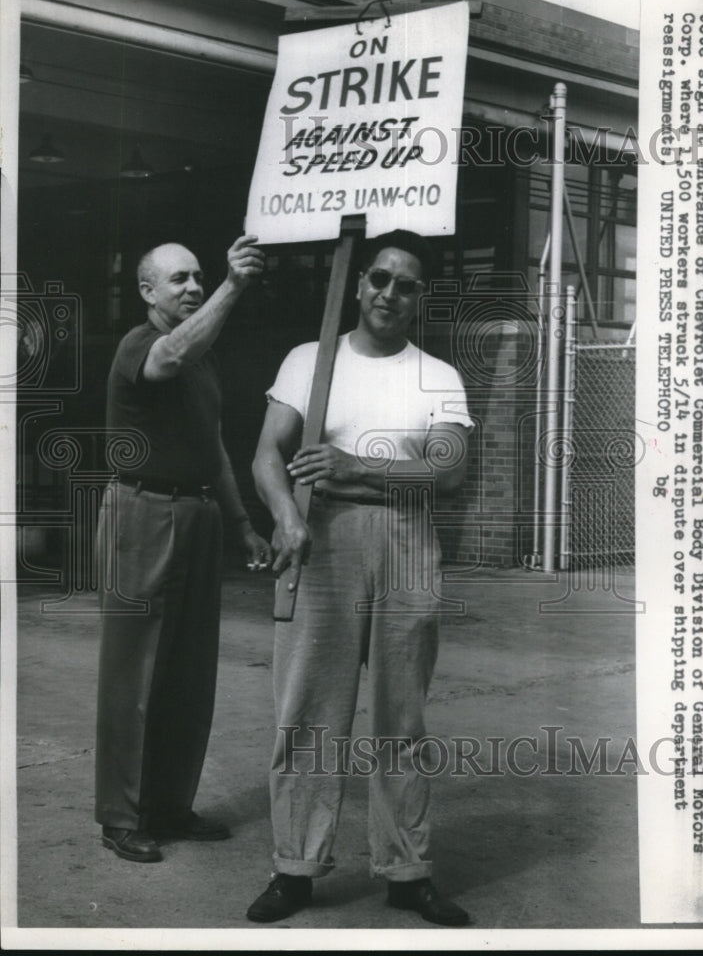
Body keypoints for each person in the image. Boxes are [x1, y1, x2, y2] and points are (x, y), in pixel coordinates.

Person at [247, 229, 473, 925]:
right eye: (379, 278)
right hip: (323, 541)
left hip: (406, 545)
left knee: (399, 718)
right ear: (358, 283)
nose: (388, 293)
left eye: (405, 285)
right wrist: (286, 515)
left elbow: (448, 468)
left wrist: (355, 468)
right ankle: (295, 866)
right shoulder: (310, 362)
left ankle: (406, 870)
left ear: (419, 298)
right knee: (309, 711)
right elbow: (265, 455)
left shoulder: (436, 375)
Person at [95, 235, 271, 863]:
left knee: (189, 673)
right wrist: (234, 284)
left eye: (199, 277)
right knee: (133, 672)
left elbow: (214, 444)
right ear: (147, 291)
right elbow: (169, 355)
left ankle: (170, 804)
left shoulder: (205, 358)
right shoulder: (141, 344)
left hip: (197, 513)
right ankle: (122, 815)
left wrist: (242, 522)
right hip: (143, 510)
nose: (194, 286)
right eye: (180, 280)